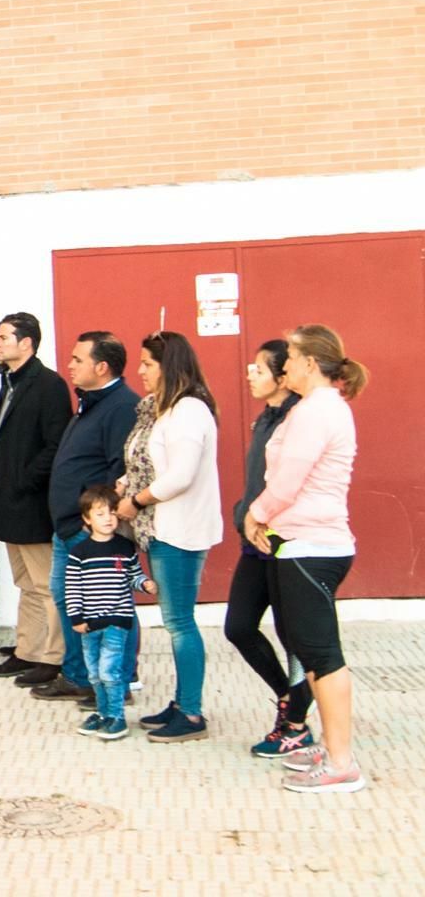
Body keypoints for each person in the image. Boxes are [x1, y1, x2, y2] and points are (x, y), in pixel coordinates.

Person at [244, 324, 369, 793]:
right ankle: (330, 747)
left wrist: (255, 515)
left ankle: (342, 764)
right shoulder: (313, 409)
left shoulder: (318, 412)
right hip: (299, 545)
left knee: (322, 655)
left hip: (313, 548)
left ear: (311, 364)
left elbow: (288, 481)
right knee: (311, 653)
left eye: (291, 357)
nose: (286, 364)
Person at [116, 331, 222, 744]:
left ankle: (192, 713)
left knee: (180, 623)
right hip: (161, 525)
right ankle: (181, 703)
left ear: (169, 366)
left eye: (147, 363)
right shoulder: (163, 410)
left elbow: (180, 474)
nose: (140, 371)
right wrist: (125, 484)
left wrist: (137, 501)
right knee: (175, 620)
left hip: (180, 529)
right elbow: (147, 461)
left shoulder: (189, 410)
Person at [36, 332, 140, 703]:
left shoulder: (122, 406)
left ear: (102, 366)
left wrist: (97, 519)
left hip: (90, 529)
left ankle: (117, 682)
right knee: (69, 600)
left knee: (109, 606)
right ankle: (79, 675)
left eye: (78, 359)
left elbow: (119, 471)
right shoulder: (90, 403)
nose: (70, 364)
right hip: (67, 526)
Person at [224, 340, 312, 759]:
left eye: (258, 369)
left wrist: (257, 517)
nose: (249, 374)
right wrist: (242, 514)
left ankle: (296, 723)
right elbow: (256, 481)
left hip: (285, 541)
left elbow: (291, 485)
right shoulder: (265, 420)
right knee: (239, 626)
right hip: (253, 540)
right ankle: (286, 697)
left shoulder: (298, 419)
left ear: (283, 376)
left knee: (293, 635)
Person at [0, 312, 73, 686]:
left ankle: (52, 657)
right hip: (8, 503)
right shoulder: (11, 382)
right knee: (25, 583)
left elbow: (56, 446)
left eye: (3, 337)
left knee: (45, 585)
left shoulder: (48, 385)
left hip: (31, 504)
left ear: (26, 343)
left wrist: (21, 481)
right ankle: (28, 650)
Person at [66, 484, 157, 741]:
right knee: (93, 672)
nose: (108, 519)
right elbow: (72, 587)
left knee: (110, 671)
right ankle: (103, 712)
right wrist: (77, 617)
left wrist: (145, 584)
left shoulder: (124, 548)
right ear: (87, 519)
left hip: (117, 620)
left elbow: (133, 576)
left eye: (112, 513)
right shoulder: (79, 553)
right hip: (89, 623)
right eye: (100, 514)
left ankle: (117, 717)